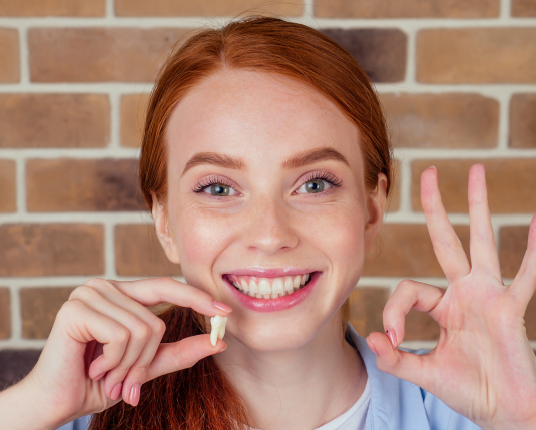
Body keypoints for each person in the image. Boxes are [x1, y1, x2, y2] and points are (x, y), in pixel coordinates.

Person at [0, 16, 535, 430]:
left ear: (372, 208)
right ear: (163, 220)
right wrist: (30, 409)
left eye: (315, 184)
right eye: (218, 188)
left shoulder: (479, 412)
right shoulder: (67, 418)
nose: (270, 235)